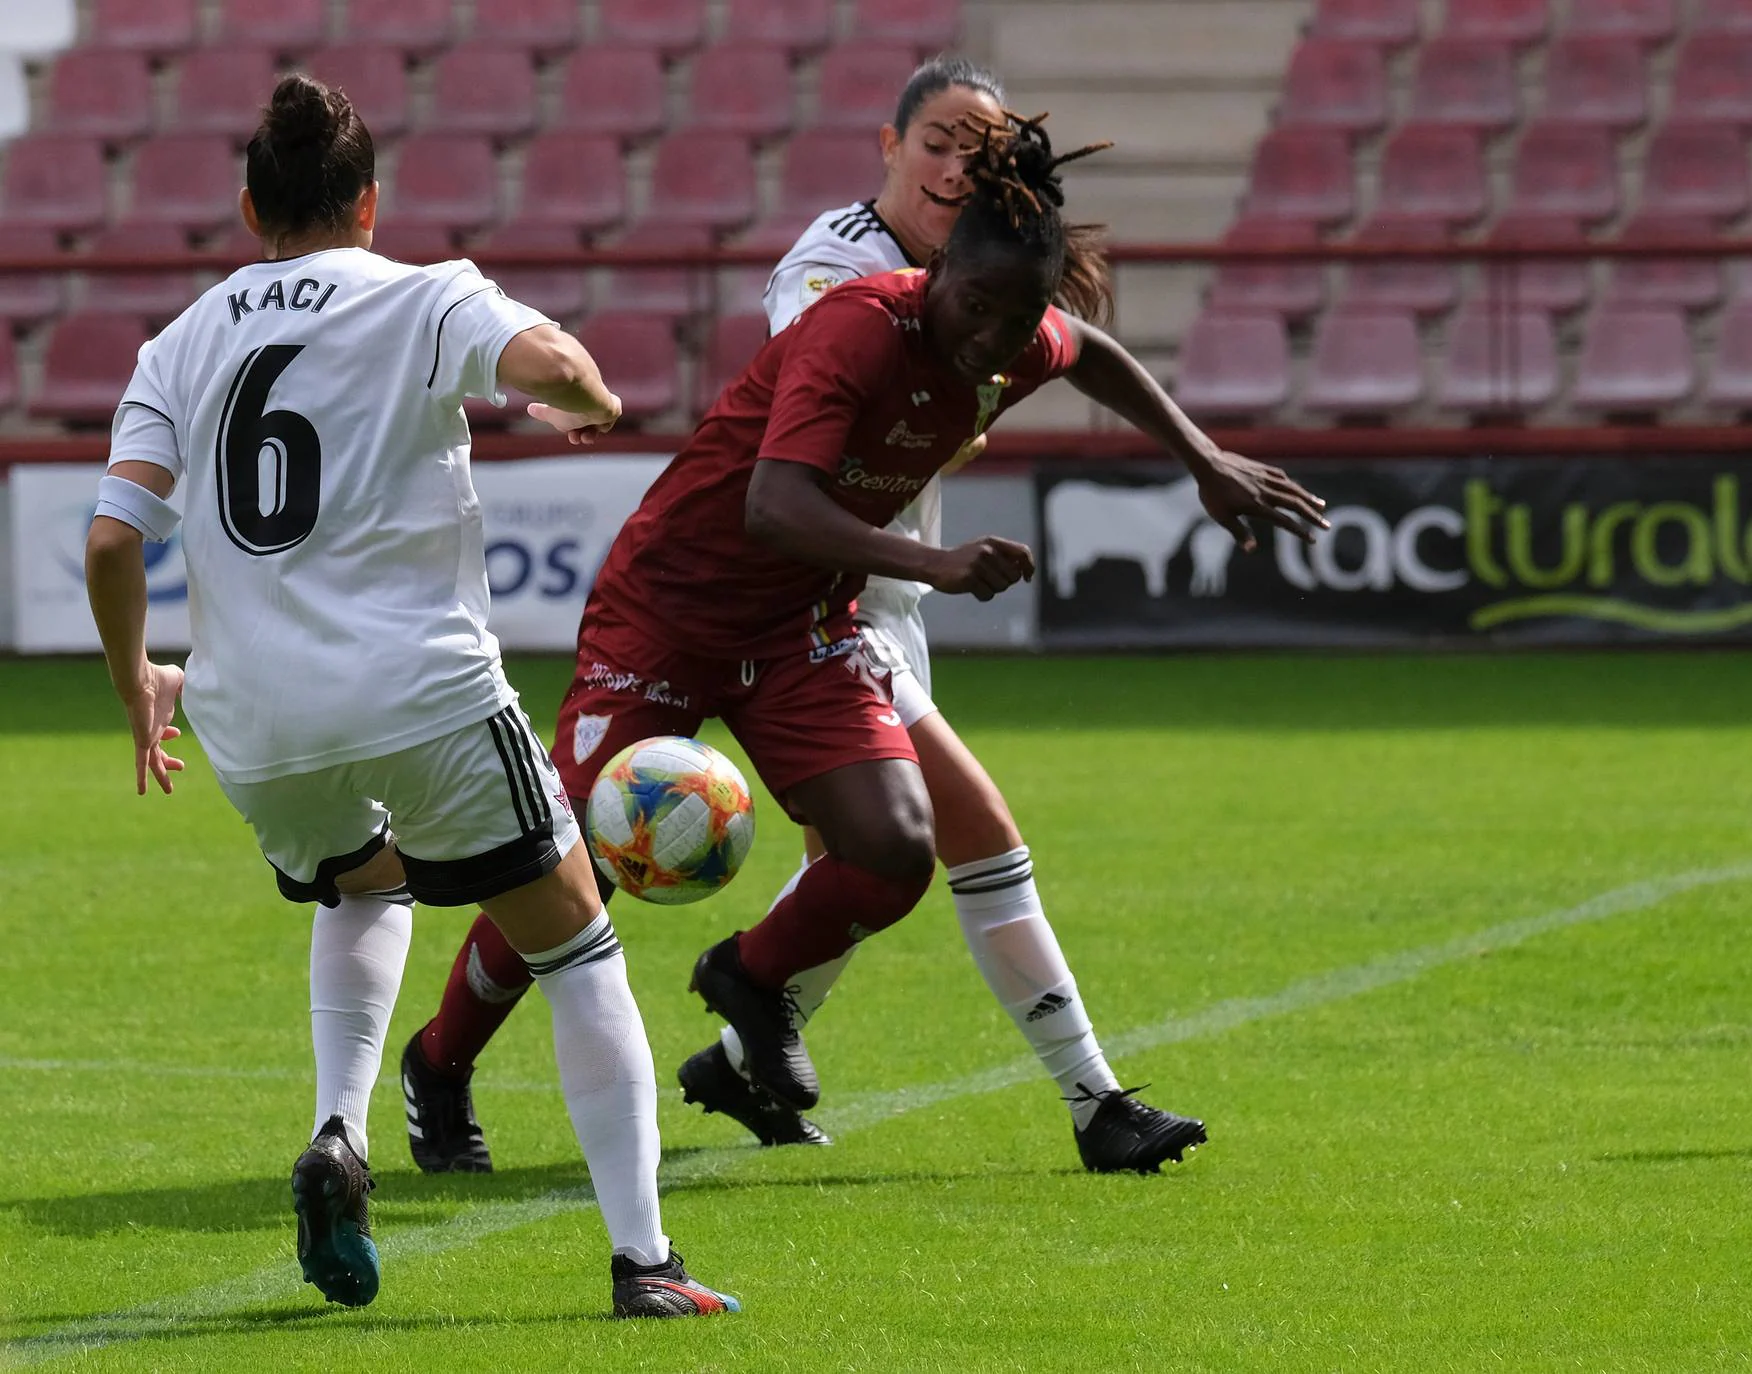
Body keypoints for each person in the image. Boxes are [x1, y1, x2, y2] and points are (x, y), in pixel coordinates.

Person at [401, 108, 1329, 1174]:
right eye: (976, 307)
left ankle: (750, 980)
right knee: (574, 874)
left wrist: (1203, 457)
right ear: (939, 277)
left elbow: (1095, 353)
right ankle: (440, 1062)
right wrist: (938, 566)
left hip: (801, 630)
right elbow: (772, 507)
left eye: (1015, 318)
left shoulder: (1015, 334)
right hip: (666, 616)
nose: (992, 339)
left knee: (895, 851)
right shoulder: (858, 325)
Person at [81, 74, 737, 1320]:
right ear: (369, 204)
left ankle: (340, 1130)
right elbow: (550, 359)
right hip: (421, 692)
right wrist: (586, 398)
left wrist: (139, 684)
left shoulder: (179, 344)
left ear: (246, 208)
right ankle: (646, 1263)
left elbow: (115, 541)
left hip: (256, 725)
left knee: (360, 880)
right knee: (576, 943)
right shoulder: (426, 294)